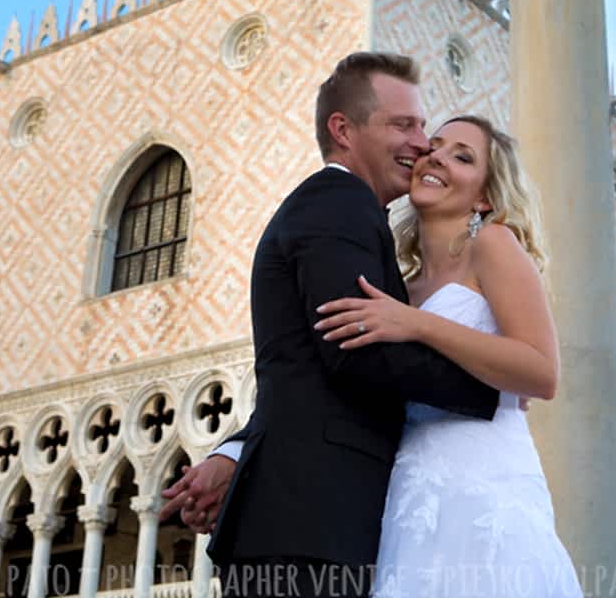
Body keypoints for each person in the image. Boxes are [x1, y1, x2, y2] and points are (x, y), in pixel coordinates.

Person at [159, 53, 500, 598]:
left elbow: (305, 368)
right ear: (343, 129)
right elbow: (354, 352)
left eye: (421, 125)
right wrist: (490, 388)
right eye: (402, 125)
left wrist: (234, 452)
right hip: (312, 524)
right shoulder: (339, 205)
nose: (421, 143)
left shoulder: (345, 211)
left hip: (312, 518)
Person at [315, 115, 582, 597]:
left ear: (484, 196)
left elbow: (542, 372)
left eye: (462, 156)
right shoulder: (400, 285)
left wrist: (416, 324)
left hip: (485, 484)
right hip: (410, 492)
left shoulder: (493, 245)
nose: (436, 156)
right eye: (433, 147)